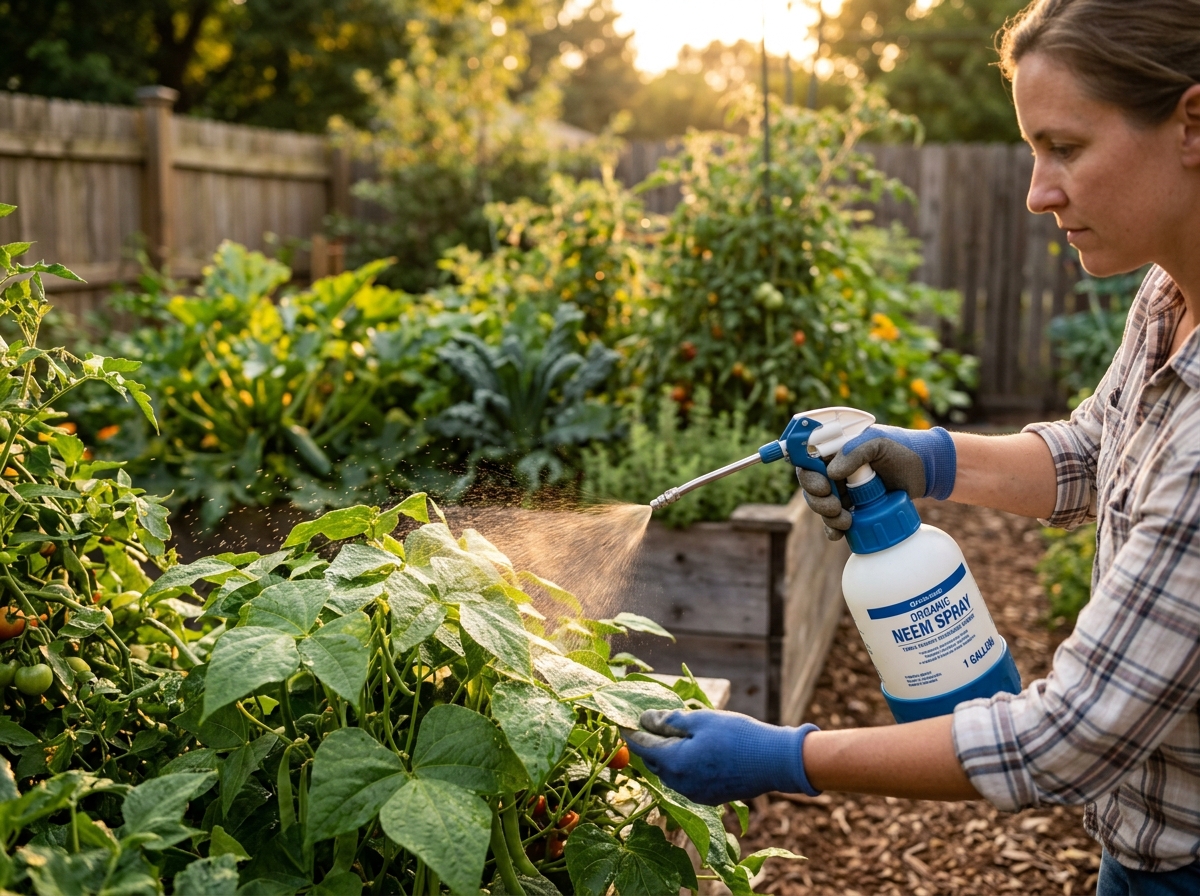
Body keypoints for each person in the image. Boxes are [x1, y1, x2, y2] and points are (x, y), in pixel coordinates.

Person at [624, 2, 1200, 893]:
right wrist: (922, 458)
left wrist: (788, 758)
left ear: (1192, 122)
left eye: (1068, 148)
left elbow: (1070, 735)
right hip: (1145, 834)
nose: (1038, 191)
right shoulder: (1170, 295)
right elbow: (1095, 452)